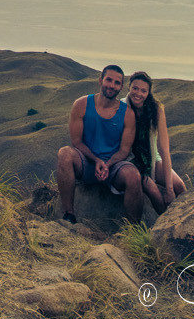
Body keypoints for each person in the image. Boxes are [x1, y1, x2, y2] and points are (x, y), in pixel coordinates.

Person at [55, 64, 145, 223]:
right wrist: (97, 161)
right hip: (87, 162)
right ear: (100, 80)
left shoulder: (127, 114)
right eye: (108, 80)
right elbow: (76, 141)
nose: (112, 85)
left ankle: (135, 230)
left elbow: (124, 150)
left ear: (121, 87)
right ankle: (69, 214)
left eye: (117, 82)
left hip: (113, 167)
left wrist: (107, 164)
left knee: (133, 175)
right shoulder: (81, 104)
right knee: (65, 153)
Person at [127, 70, 187, 214]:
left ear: (149, 92)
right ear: (129, 87)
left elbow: (164, 148)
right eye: (135, 88)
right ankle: (164, 227)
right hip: (130, 159)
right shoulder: (122, 106)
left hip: (152, 158)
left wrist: (169, 189)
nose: (138, 93)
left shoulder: (156, 109)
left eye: (143, 90)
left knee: (179, 186)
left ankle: (187, 220)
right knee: (153, 191)